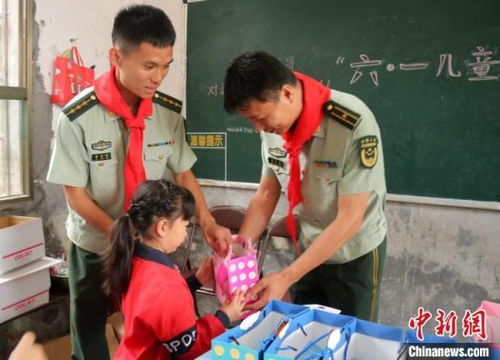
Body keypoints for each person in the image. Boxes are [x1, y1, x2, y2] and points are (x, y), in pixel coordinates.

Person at [46, 5, 231, 359]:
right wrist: (122, 235)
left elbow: (183, 173)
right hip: (96, 244)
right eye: (149, 65)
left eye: (165, 66)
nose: (158, 76)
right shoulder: (77, 118)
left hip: (148, 249)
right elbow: (77, 198)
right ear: (117, 56)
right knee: (89, 330)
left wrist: (208, 222)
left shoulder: (167, 114)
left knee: (145, 328)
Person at [223, 51, 387, 321]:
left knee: (352, 339)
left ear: (287, 93)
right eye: (250, 121)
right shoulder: (272, 129)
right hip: (308, 247)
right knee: (302, 333)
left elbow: (350, 219)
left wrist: (287, 276)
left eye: (261, 118)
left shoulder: (351, 122)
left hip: (354, 254)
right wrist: (240, 251)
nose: (258, 128)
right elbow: (266, 193)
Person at [102, 180, 246, 359]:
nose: (186, 234)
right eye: (185, 225)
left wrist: (196, 280)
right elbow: (189, 348)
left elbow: (156, 307)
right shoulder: (164, 285)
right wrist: (224, 317)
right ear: (162, 227)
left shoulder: (135, 258)